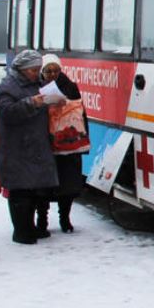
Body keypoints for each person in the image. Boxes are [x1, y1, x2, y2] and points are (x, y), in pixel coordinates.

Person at [0, 49, 61, 244]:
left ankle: (31, 228)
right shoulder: (8, 86)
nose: (36, 73)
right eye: (33, 70)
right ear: (22, 69)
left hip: (36, 143)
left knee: (34, 190)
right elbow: (6, 112)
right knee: (20, 191)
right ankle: (22, 231)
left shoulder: (37, 84)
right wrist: (31, 103)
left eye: (37, 69)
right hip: (17, 145)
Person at [35, 54, 88, 234]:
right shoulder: (37, 88)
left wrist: (82, 140)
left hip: (68, 143)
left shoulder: (70, 86)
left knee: (68, 186)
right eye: (48, 71)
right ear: (42, 72)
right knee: (43, 187)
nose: (52, 74)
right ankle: (42, 219)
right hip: (45, 143)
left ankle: (65, 218)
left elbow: (80, 113)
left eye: (56, 70)